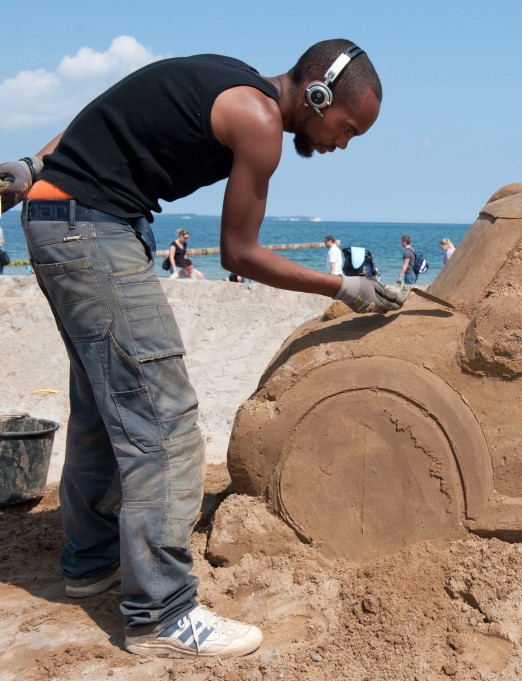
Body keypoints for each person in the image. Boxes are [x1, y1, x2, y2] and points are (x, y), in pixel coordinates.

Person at [0, 38, 405, 659]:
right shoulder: (261, 122)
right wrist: (343, 284)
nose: (340, 144)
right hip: (93, 227)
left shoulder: (229, 78)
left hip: (59, 212)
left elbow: (114, 110)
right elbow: (241, 254)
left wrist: (36, 164)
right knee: (164, 420)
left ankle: (91, 561)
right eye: (345, 128)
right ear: (318, 95)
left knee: (105, 405)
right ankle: (162, 612)